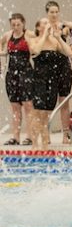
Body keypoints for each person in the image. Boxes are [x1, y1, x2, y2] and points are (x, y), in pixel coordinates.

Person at [28, 18, 72, 149]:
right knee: (37, 112)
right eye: (44, 23)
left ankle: (44, 143)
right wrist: (44, 35)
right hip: (39, 80)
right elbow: (35, 51)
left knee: (47, 112)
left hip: (52, 80)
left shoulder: (55, 42)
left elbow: (68, 52)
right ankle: (35, 143)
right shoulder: (35, 40)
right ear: (38, 27)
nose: (48, 24)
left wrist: (59, 38)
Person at [43, 1, 72, 143]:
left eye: (56, 11)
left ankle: (65, 135)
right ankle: (47, 135)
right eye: (51, 12)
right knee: (47, 103)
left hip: (63, 67)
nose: (54, 14)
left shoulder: (65, 28)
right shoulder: (43, 28)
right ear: (47, 12)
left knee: (64, 102)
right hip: (49, 68)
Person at [1, 14, 33, 145]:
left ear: (23, 23)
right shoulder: (8, 35)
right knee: (15, 107)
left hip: (26, 73)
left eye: (18, 24)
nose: (16, 27)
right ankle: (16, 137)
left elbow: (36, 50)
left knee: (28, 106)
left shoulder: (29, 34)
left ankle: (30, 136)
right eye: (13, 25)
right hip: (11, 74)